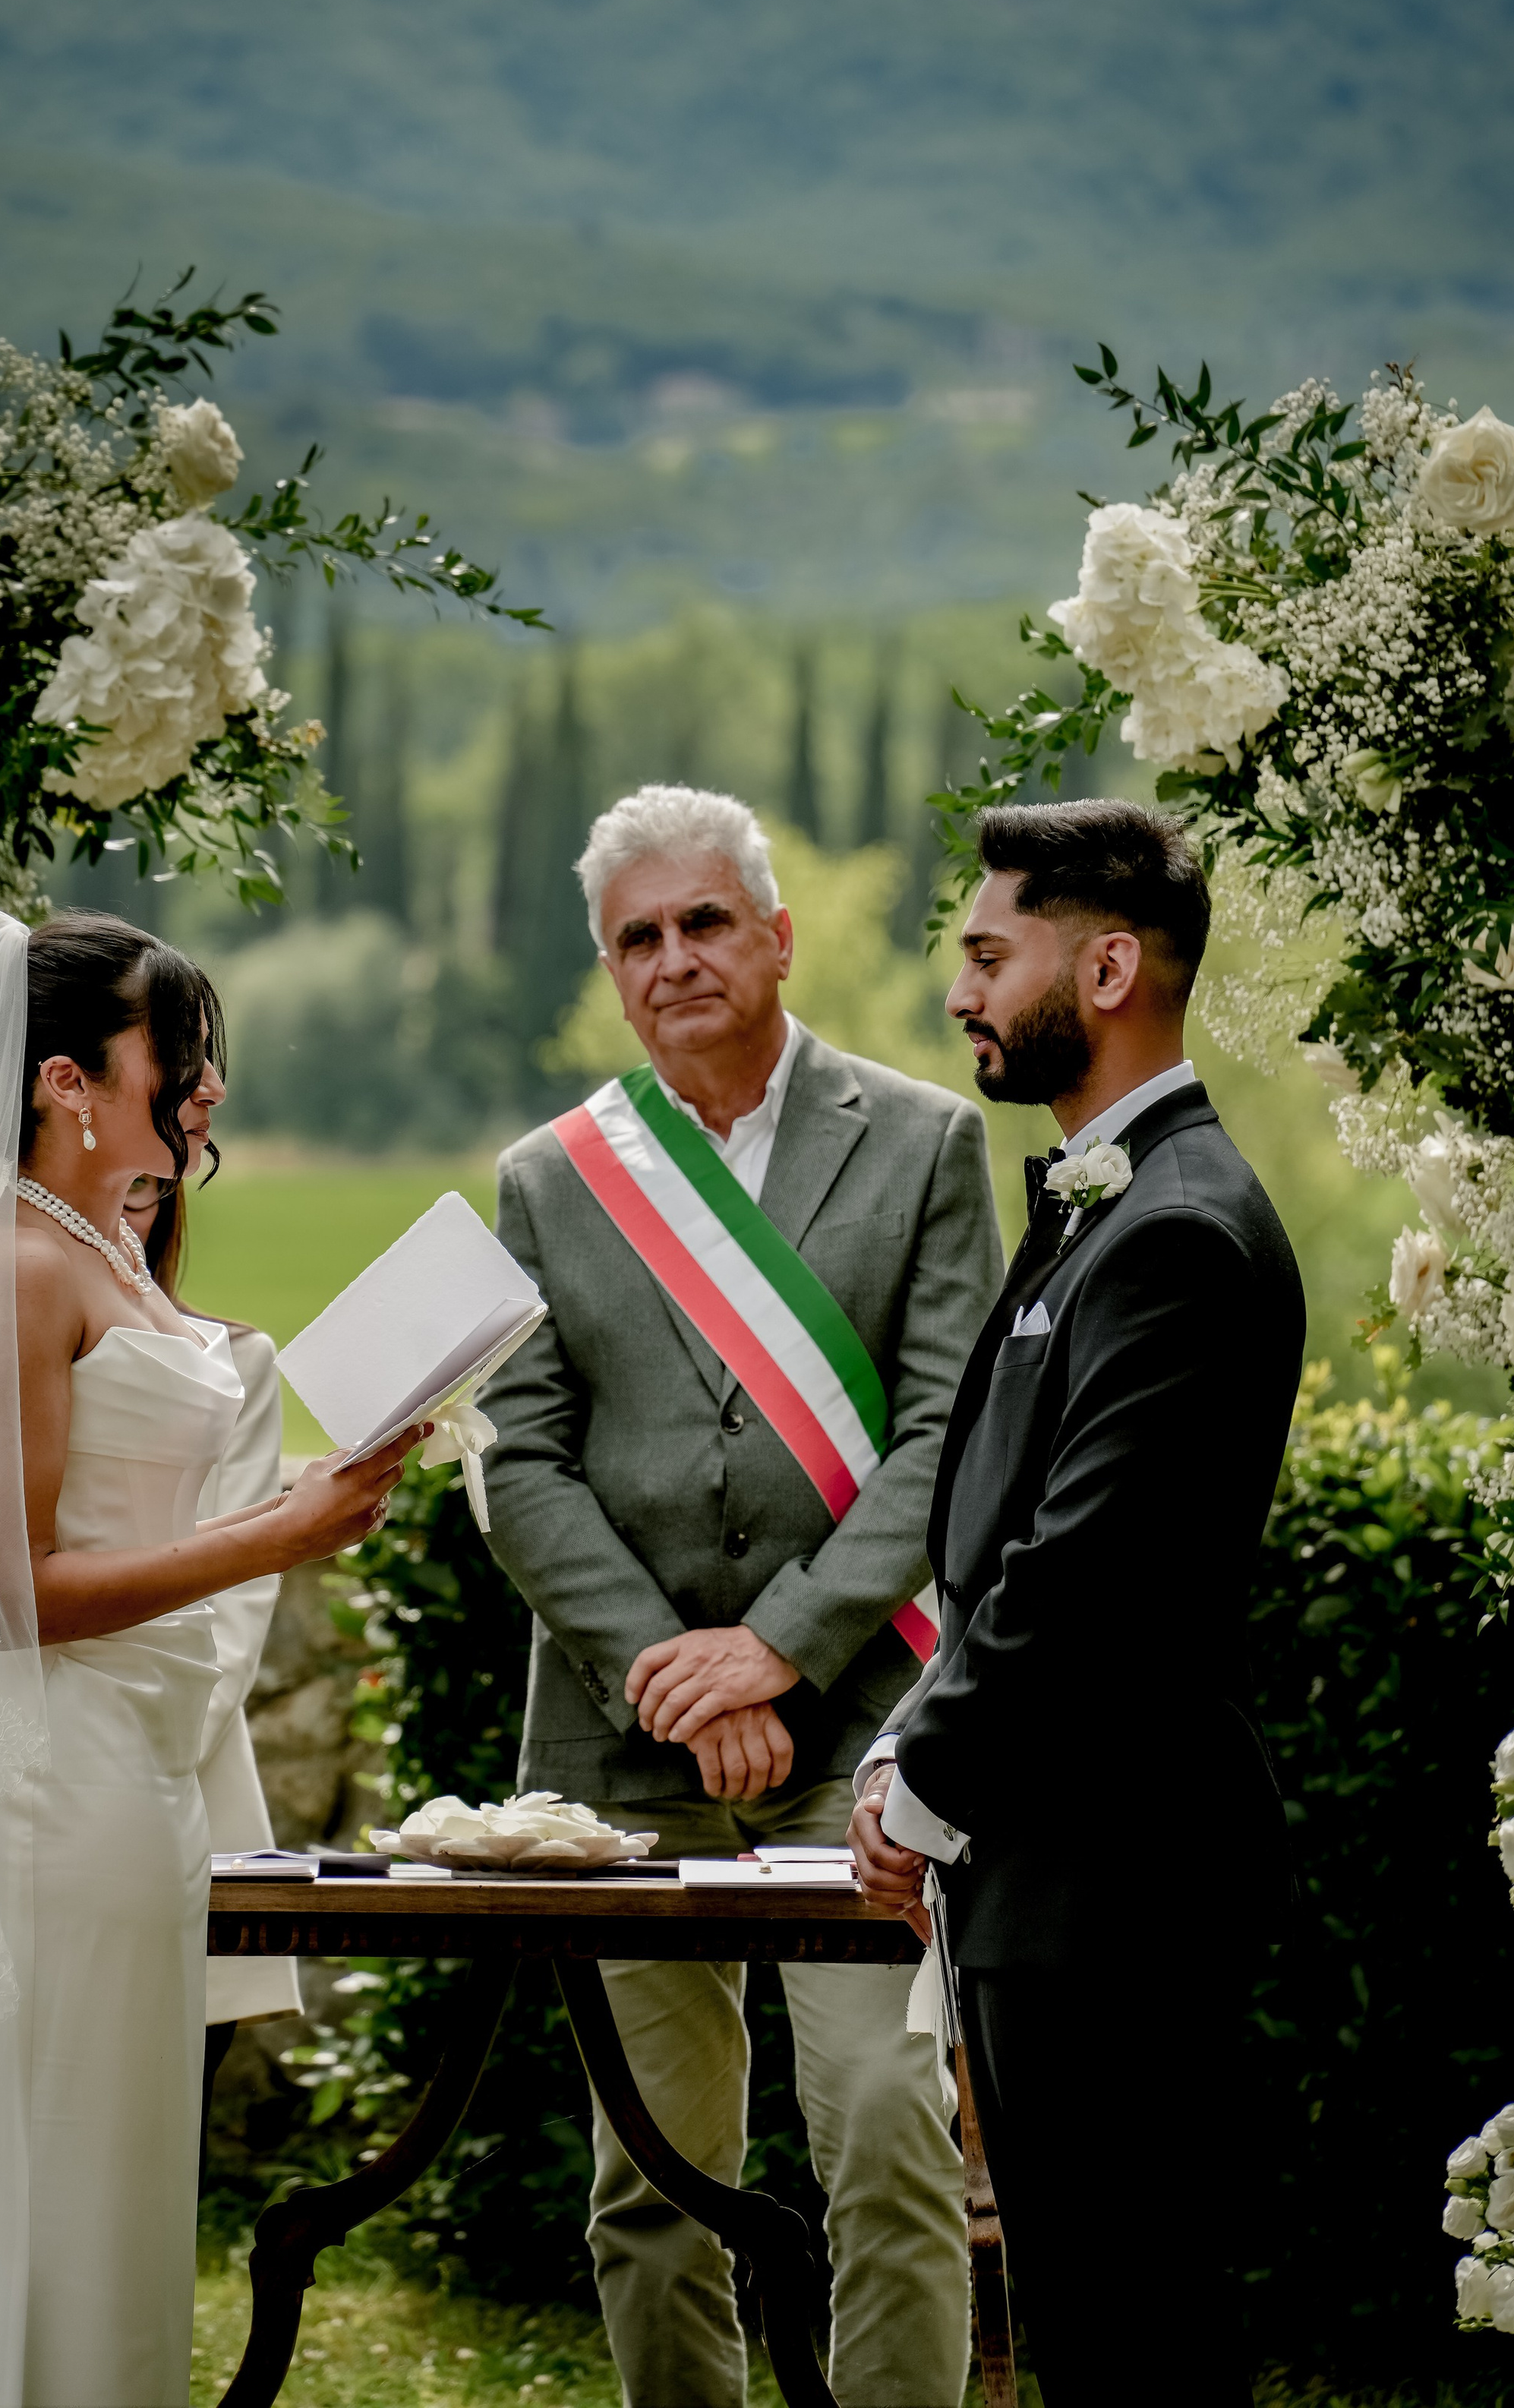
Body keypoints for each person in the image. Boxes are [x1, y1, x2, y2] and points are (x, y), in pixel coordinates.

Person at [0, 908, 421, 2408]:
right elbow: (14, 1589)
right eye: (176, 1054)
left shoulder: (104, 1243)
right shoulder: (13, 1268)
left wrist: (313, 1485)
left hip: (130, 1778)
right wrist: (275, 1537)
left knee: (111, 2184)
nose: (207, 1087)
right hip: (43, 1787)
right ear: (69, 1081)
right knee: (42, 2185)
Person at [481, 786, 1001, 2408]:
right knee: (648, 2182)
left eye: (703, 920)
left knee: (886, 2147)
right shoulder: (552, 1178)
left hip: (863, 1747)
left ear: (774, 936)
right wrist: (672, 1671)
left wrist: (773, 1651)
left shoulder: (920, 1140)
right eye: (635, 935)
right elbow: (517, 1460)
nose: (673, 957)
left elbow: (948, 1437)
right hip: (621, 1762)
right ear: (606, 970)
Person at [846, 800, 1303, 2407]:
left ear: (1106, 965)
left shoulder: (1174, 1230)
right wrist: (910, 1731)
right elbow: (998, 1539)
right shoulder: (1102, 1204)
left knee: (1136, 2332)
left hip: (1123, 1872)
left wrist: (923, 1768)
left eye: (987, 954)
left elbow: (1086, 1564)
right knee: (1090, 2321)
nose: (959, 992)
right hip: (1056, 1867)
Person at [121, 1176, 303, 2149]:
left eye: (149, 1189)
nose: (118, 1210)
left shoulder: (236, 1360)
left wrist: (124, 1755)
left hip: (180, 1780)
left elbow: (234, 1608)